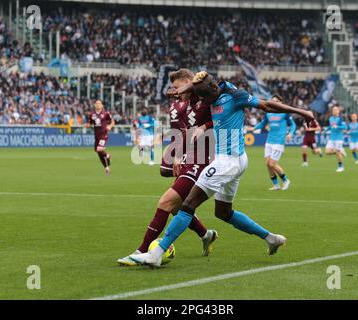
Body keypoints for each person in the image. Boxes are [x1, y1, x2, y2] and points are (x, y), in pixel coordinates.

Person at [130, 71, 314, 267]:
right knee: (223, 212)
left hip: (228, 162)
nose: (202, 102)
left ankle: (156, 253)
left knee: (188, 204)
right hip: (236, 160)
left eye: (203, 98)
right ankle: (271, 238)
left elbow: (267, 105)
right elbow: (190, 88)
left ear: (209, 93)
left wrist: (302, 112)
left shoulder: (236, 96)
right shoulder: (213, 88)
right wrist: (177, 92)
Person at [117, 69, 217, 266]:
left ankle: (142, 250)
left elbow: (218, 119)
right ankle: (206, 235)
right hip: (188, 155)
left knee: (166, 202)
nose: (175, 92)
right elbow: (179, 131)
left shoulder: (204, 96)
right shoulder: (180, 105)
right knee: (177, 205)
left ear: (189, 82)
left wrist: (203, 129)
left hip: (203, 159)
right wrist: (176, 153)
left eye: (178, 87)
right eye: (173, 89)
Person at [253, 94, 295, 191]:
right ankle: (276, 185)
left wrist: (291, 133)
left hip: (279, 140)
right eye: (273, 102)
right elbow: (263, 123)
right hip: (269, 140)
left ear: (281, 102)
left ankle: (285, 180)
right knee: (267, 164)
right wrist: (254, 128)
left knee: (272, 164)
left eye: (276, 102)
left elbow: (292, 124)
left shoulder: (285, 112)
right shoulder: (269, 112)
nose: (274, 103)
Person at [88, 100, 114, 175]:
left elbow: (112, 122)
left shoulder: (106, 114)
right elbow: (90, 123)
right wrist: (87, 125)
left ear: (102, 105)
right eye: (96, 103)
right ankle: (106, 168)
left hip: (103, 135)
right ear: (94, 105)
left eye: (99, 103)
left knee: (99, 149)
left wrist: (110, 126)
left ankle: (107, 155)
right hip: (96, 136)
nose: (98, 105)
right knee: (98, 152)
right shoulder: (91, 114)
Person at [325, 106, 347, 172]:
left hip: (338, 139)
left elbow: (345, 127)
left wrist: (337, 126)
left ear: (338, 111)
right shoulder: (330, 118)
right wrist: (326, 130)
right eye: (333, 110)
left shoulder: (340, 119)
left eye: (335, 110)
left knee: (337, 153)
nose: (334, 111)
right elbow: (330, 126)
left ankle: (341, 167)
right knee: (327, 152)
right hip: (332, 138)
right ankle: (341, 151)